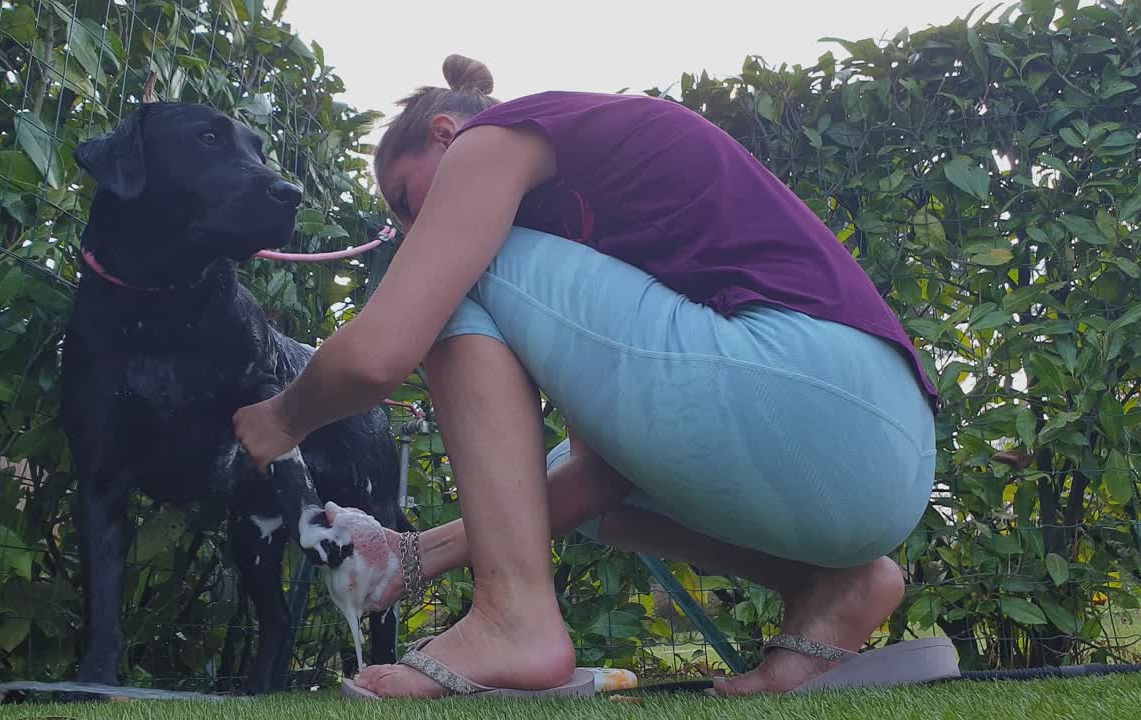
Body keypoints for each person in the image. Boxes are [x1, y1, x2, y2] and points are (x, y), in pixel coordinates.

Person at [232, 54, 952, 700]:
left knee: (447, 283)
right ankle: (832, 586)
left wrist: (281, 419)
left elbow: (375, 357)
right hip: (876, 449)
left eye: (405, 198)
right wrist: (413, 556)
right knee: (566, 477)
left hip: (814, 381)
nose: (413, 226)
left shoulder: (496, 143)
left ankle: (514, 620)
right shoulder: (585, 216)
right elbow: (599, 476)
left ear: (448, 133)